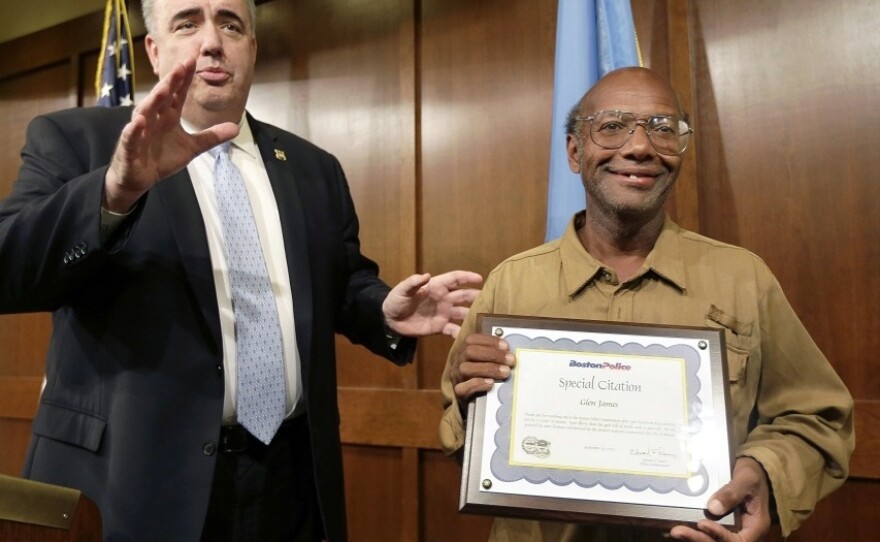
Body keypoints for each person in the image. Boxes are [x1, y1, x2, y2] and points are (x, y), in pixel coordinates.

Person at [0, 0, 482, 540]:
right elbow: (10, 271)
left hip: (289, 479)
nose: (212, 41)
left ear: (252, 48)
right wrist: (115, 192)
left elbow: (341, 280)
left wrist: (384, 311)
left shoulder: (312, 168)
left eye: (231, 24)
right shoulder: (79, 142)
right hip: (132, 480)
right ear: (154, 50)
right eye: (187, 23)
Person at [439, 67, 854, 542]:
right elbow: (458, 433)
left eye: (663, 129)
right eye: (612, 126)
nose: (639, 147)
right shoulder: (512, 283)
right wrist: (472, 405)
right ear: (575, 152)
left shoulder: (743, 279)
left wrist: (764, 470)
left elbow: (818, 417)